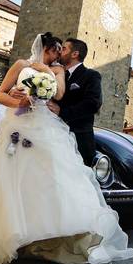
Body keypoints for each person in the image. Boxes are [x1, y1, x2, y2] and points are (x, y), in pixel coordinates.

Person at [0, 33, 133, 264]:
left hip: (46, 126)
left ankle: (53, 232)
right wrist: (16, 100)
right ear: (47, 48)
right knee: (16, 178)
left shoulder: (58, 71)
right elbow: (0, 94)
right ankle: (16, 234)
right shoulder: (21, 65)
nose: (59, 54)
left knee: (53, 175)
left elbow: (59, 94)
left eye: (62, 49)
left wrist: (47, 76)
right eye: (56, 49)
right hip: (19, 125)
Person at [48, 38, 102, 167]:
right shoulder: (54, 75)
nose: (60, 51)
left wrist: (62, 112)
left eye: (64, 48)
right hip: (54, 138)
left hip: (79, 140)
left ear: (75, 54)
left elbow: (93, 103)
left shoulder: (91, 75)